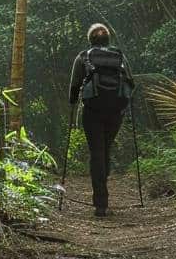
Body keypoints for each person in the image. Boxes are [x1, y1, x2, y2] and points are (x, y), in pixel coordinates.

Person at [67, 23, 134, 217]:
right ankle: (102, 188)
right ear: (108, 38)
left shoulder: (83, 57)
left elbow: (74, 85)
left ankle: (100, 204)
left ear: (90, 40)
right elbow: (130, 81)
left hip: (92, 111)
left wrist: (72, 105)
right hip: (115, 111)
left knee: (96, 152)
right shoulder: (119, 55)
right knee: (106, 149)